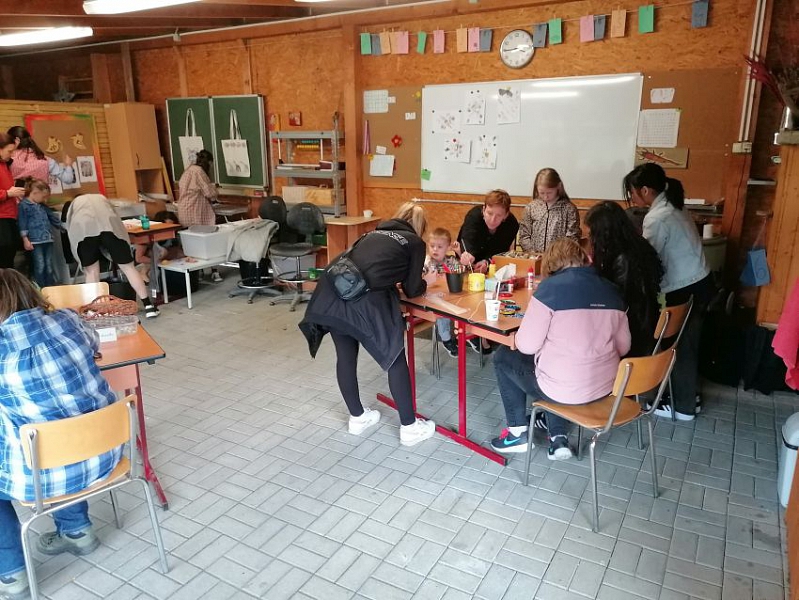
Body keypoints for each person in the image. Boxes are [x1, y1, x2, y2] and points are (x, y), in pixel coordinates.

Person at [0, 270, 120, 600]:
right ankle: (77, 531)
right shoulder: (68, 320)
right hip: (104, 449)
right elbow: (94, 346)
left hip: (49, 470)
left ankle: (11, 573)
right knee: (58, 429)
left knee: (36, 441)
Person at [299, 202, 438, 447]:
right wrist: (428, 280)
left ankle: (358, 418)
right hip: (363, 298)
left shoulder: (372, 234)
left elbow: (373, 267)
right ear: (420, 227)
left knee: (345, 356)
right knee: (395, 357)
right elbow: (413, 289)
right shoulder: (414, 242)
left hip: (331, 292)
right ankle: (410, 428)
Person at [490, 238, 631, 459]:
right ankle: (557, 438)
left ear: (551, 264)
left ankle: (517, 433)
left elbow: (527, 346)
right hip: (604, 387)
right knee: (557, 366)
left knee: (503, 357)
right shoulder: (612, 290)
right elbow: (624, 347)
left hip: (562, 387)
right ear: (585, 259)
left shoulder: (549, 289)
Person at [623, 163, 713, 420]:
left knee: (679, 346)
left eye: (632, 192)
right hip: (700, 282)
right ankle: (688, 397)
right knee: (687, 343)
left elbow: (649, 259)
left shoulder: (657, 217)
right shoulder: (676, 205)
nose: (632, 198)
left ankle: (683, 407)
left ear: (645, 190)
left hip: (686, 287)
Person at [585, 201, 663, 357]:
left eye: (592, 232)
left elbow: (619, 300)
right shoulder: (635, 244)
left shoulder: (624, 258)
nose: (590, 237)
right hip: (647, 323)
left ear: (605, 232)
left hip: (634, 333)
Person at [65, 194, 159, 318]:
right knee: (128, 268)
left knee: (91, 272)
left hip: (85, 231)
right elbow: (116, 218)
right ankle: (148, 306)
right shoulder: (101, 197)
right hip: (109, 228)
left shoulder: (74, 203)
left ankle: (93, 311)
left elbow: (68, 226)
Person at [176, 149, 222, 282]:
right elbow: (209, 193)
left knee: (192, 244)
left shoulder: (188, 170)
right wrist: (216, 191)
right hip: (196, 210)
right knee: (208, 241)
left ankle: (198, 273)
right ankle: (214, 271)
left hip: (184, 210)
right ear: (209, 163)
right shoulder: (199, 172)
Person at [518, 168, 581, 253]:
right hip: (534, 256)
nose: (546, 197)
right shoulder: (531, 207)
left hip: (559, 258)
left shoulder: (569, 209)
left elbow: (572, 238)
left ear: (558, 187)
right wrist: (532, 252)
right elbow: (524, 235)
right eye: (542, 193)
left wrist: (558, 255)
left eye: (549, 193)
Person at [457, 189, 519, 274]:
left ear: (506, 215)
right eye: (489, 213)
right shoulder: (473, 216)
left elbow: (501, 249)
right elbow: (467, 239)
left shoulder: (512, 225)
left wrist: (486, 262)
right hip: (468, 262)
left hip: (493, 266)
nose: (492, 220)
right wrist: (468, 254)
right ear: (483, 209)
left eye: (499, 215)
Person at [17, 178, 65, 288]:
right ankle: (41, 288)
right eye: (43, 197)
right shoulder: (23, 206)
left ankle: (50, 287)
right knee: (40, 264)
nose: (45, 200)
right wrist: (25, 239)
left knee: (49, 264)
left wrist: (62, 227)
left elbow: (52, 217)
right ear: (35, 192)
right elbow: (22, 223)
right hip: (35, 241)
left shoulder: (43, 206)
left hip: (48, 239)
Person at [425, 227, 459, 358]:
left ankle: (466, 334)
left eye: (439, 247)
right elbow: (421, 280)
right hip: (432, 298)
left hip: (450, 295)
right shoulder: (426, 262)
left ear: (448, 247)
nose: (435, 249)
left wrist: (459, 253)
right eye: (432, 246)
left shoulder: (451, 260)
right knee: (442, 313)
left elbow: (460, 271)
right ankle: (446, 339)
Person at [6, 126, 76, 185]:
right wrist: (68, 165)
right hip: (40, 196)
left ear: (16, 140)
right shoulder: (46, 160)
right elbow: (68, 179)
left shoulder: (8, 158)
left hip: (14, 197)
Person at [134, 211, 183, 281]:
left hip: (163, 259)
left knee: (178, 253)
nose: (169, 230)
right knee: (163, 251)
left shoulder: (174, 235)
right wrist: (159, 262)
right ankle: (143, 272)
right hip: (147, 261)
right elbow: (139, 258)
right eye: (166, 227)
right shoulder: (146, 236)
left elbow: (177, 250)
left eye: (171, 227)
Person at [0, 134, 24, 270]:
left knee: (11, 251)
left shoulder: (5, 164)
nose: (12, 154)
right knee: (5, 252)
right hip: (1, 217)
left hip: (9, 215)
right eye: (9, 151)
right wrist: (8, 193)